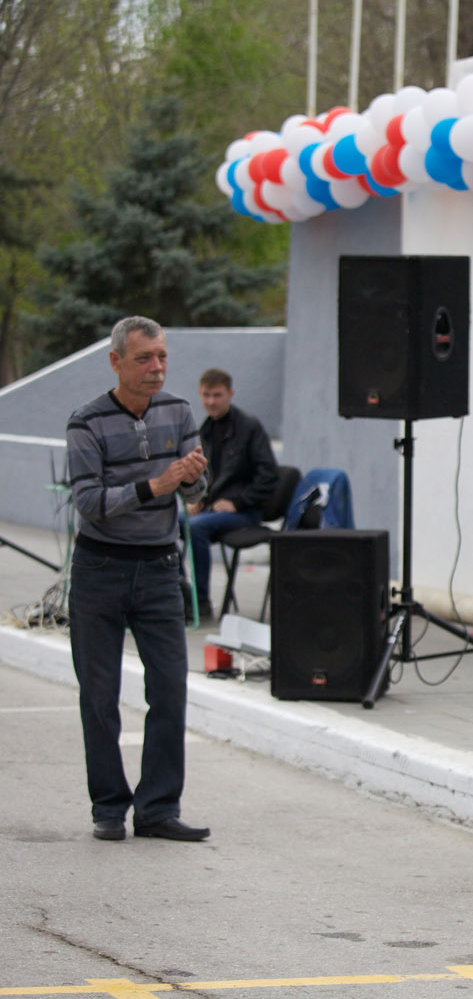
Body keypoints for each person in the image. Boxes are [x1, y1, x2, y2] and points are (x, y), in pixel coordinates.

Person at [66, 316, 211, 842]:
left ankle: (158, 809)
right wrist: (157, 485)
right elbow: (88, 503)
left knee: (170, 689)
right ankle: (108, 807)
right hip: (99, 570)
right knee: (99, 696)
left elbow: (195, 495)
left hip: (159, 569)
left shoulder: (179, 411)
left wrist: (192, 481)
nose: (156, 367)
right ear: (116, 361)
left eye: (162, 356)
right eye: (144, 358)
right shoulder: (86, 422)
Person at [182, 367, 278, 621]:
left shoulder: (249, 427)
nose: (211, 401)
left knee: (195, 528)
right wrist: (197, 499)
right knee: (169, 520)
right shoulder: (205, 430)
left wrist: (238, 502)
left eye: (217, 395)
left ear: (230, 394)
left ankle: (200, 602)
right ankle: (178, 594)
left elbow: (269, 476)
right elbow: (206, 476)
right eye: (206, 395)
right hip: (213, 510)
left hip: (245, 512)